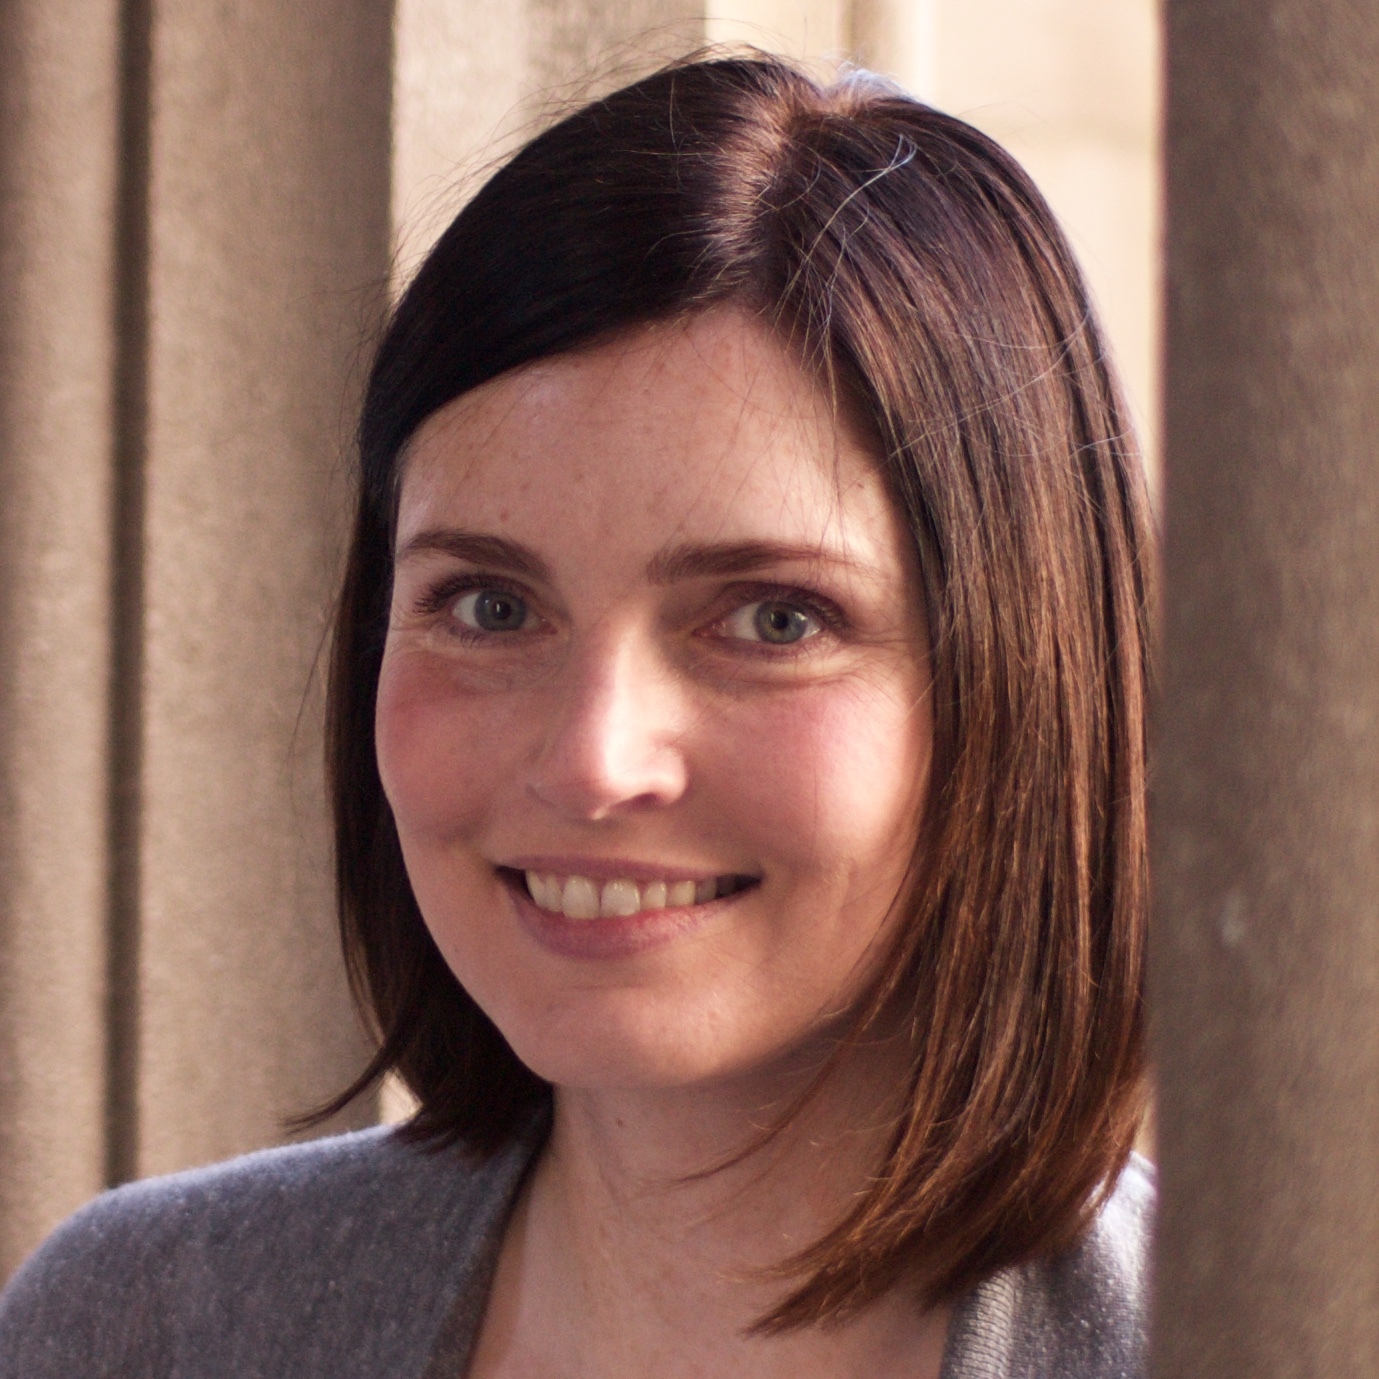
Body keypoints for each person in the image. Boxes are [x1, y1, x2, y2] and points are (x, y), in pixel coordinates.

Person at [0, 53, 1154, 1379]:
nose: (594, 759)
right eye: (490, 606)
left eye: (774, 618)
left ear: (1026, 678)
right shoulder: (142, 1327)